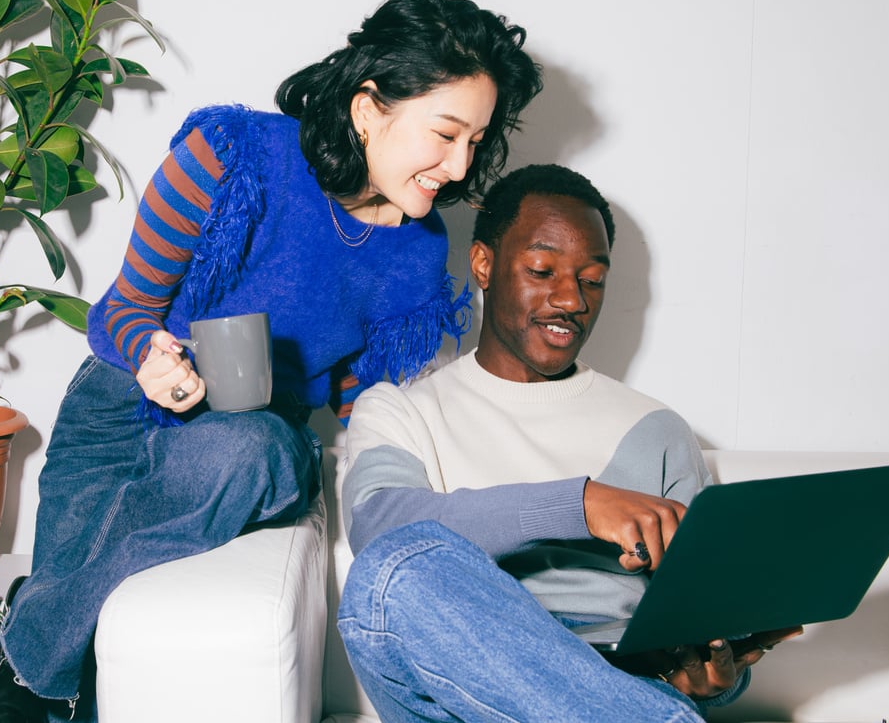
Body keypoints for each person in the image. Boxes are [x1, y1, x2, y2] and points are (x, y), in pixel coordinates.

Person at [0, 0, 543, 722]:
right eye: (446, 133)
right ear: (367, 108)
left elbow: (361, 403)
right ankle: (23, 652)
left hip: (245, 440)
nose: (459, 166)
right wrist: (150, 358)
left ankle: (12, 648)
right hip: (117, 415)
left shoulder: (419, 253)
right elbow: (121, 312)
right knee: (85, 680)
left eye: (476, 141)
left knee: (247, 450)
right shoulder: (231, 158)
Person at [337, 164, 801, 722]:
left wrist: (711, 678)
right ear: (483, 264)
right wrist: (579, 504)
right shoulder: (400, 410)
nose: (570, 299)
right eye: (542, 269)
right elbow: (382, 532)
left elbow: (699, 614)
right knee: (394, 570)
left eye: (592, 279)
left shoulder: (656, 429)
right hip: (462, 699)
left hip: (625, 687)